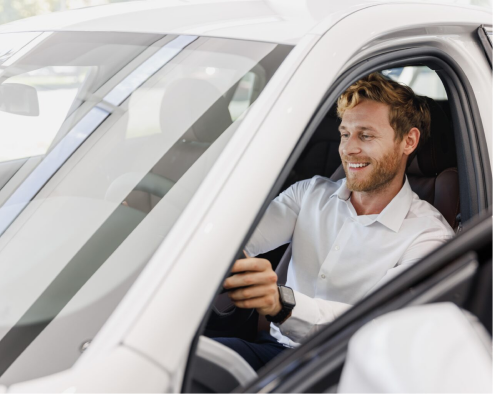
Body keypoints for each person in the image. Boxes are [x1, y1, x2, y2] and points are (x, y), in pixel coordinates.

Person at [215, 73, 455, 370]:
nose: (348, 148)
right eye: (345, 134)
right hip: (274, 352)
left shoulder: (428, 237)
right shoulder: (309, 194)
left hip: (346, 370)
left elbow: (372, 322)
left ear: (409, 140)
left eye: (365, 135)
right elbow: (236, 241)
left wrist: (282, 304)